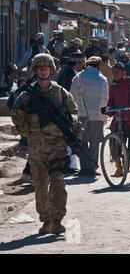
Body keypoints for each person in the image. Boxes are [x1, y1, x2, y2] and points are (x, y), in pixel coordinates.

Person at [12, 53, 81, 235]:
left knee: (58, 182)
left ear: (51, 70)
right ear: (36, 70)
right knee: (40, 185)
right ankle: (45, 220)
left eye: (46, 68)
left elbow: (74, 113)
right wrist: (25, 114)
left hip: (56, 146)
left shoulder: (60, 93)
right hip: (36, 147)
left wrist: (68, 124)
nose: (43, 70)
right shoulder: (27, 95)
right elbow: (16, 117)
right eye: (40, 68)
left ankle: (57, 220)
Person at [102, 62, 130, 183]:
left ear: (123, 73)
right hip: (119, 119)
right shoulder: (113, 86)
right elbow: (110, 102)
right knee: (113, 140)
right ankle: (118, 166)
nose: (114, 75)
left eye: (117, 72)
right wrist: (107, 109)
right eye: (113, 73)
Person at [71, 57, 109, 178]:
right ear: (98, 66)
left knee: (82, 142)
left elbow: (73, 96)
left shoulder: (79, 77)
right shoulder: (103, 79)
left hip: (82, 116)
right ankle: (92, 167)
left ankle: (84, 168)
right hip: (97, 116)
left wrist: (80, 112)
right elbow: (105, 99)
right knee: (94, 143)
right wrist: (103, 117)